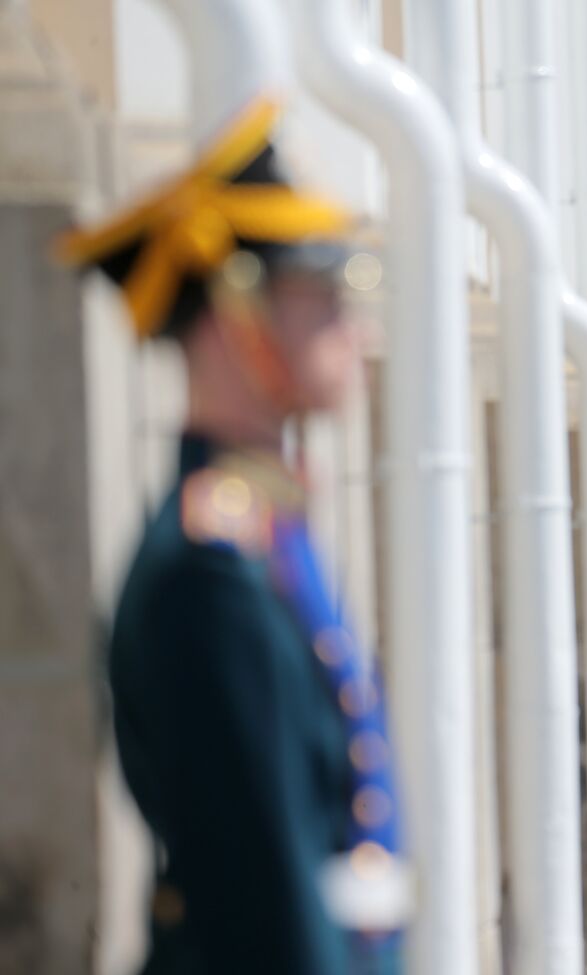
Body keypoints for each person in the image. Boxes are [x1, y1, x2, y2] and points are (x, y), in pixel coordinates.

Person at [57, 98, 406, 974]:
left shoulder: (256, 536)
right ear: (237, 311)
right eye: (325, 293)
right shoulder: (212, 572)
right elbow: (271, 904)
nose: (354, 330)